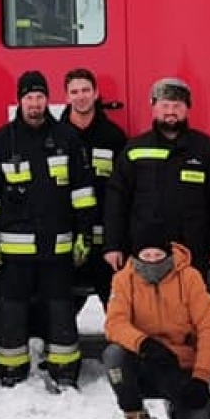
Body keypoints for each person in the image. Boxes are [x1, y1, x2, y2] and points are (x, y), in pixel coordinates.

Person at [0, 70, 98, 388]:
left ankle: (65, 369)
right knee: (12, 311)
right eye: (29, 97)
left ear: (48, 99)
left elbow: (82, 193)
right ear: (19, 100)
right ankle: (11, 371)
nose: (35, 104)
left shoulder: (67, 139)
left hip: (58, 247)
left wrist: (84, 235)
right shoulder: (0, 141)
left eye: (40, 97)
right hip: (14, 252)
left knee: (60, 309)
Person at [102, 77, 210, 292]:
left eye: (177, 106)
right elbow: (116, 201)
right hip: (145, 252)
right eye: (164, 105)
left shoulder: (205, 149)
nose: (170, 111)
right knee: (148, 312)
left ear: (187, 109)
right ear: (153, 107)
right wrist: (113, 245)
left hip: (192, 251)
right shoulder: (134, 150)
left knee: (190, 310)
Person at [103, 227, 210, 419]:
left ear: (168, 254)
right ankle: (134, 414)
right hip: (142, 358)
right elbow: (114, 324)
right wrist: (144, 344)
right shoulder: (123, 280)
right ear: (136, 255)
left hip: (179, 364)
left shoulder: (190, 278)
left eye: (158, 255)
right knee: (113, 355)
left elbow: (209, 328)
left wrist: (201, 377)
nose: (152, 260)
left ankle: (176, 404)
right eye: (146, 255)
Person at [61, 67, 128, 317]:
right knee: (60, 307)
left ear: (96, 93)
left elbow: (123, 189)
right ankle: (62, 352)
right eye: (74, 91)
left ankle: (120, 352)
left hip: (105, 240)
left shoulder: (114, 137)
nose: (81, 97)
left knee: (115, 304)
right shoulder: (56, 137)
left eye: (86, 90)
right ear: (66, 97)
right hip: (67, 238)